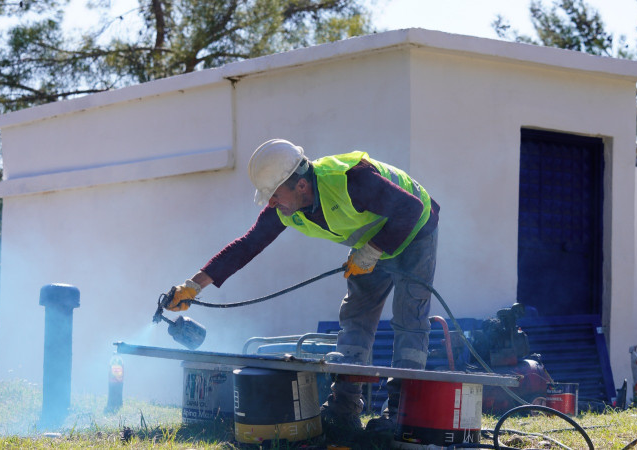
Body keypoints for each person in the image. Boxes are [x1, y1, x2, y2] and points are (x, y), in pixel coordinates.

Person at [165, 138, 440, 438]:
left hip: (416, 229)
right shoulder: (287, 209)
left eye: (274, 194)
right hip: (370, 243)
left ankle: (401, 416)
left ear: (300, 185)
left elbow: (410, 208)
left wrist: (372, 251)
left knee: (409, 318)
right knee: (355, 319)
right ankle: (344, 409)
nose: (271, 202)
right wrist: (193, 286)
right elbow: (247, 245)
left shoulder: (352, 180)